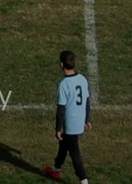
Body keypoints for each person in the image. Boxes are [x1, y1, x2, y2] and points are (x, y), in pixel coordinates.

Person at [47, 49, 92, 183]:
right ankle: (56, 169)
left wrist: (58, 128)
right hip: (80, 120)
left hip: (70, 123)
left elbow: (61, 109)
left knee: (74, 152)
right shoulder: (82, 79)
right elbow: (87, 101)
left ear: (61, 64)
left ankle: (83, 180)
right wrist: (87, 119)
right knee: (64, 144)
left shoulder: (64, 84)